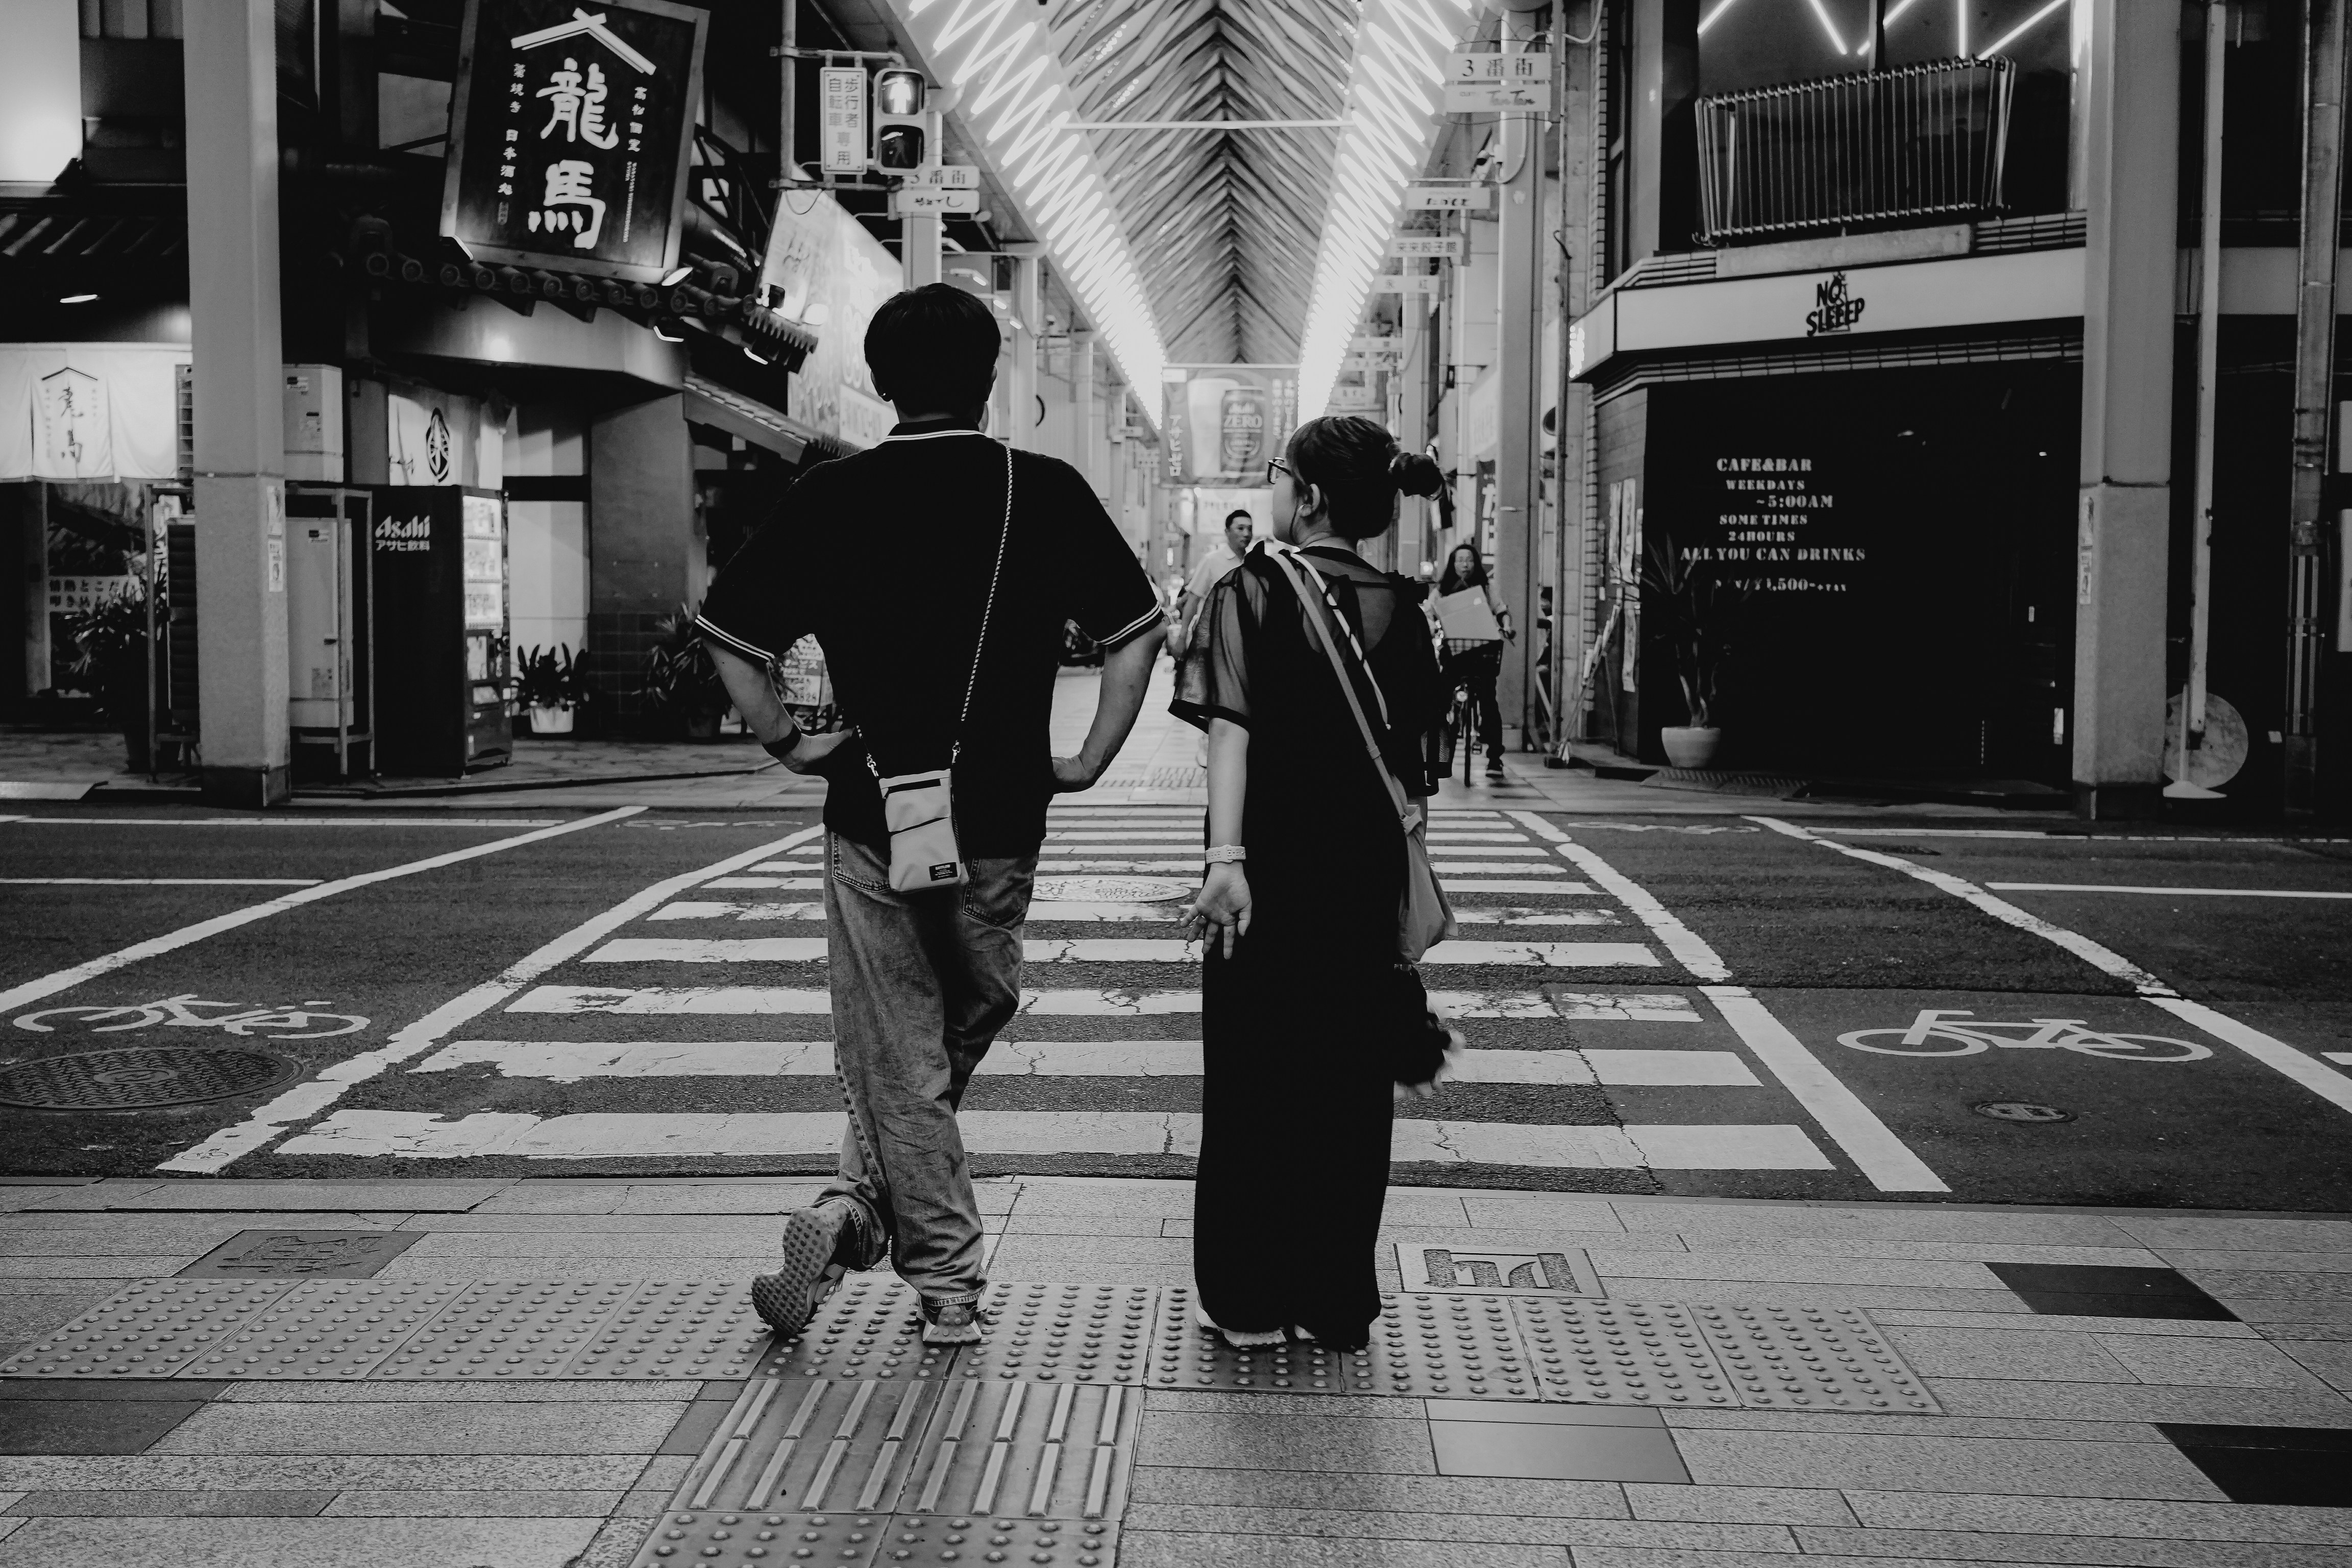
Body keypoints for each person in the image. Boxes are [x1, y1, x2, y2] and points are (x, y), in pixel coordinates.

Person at [697, 284, 1165, 1346]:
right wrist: (1087, 757)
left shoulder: (834, 495)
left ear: (877, 378)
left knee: (901, 1047)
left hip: (873, 812)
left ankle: (858, 1212)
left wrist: (788, 740)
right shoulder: (1037, 488)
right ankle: (948, 1283)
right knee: (970, 1011)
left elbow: (728, 632)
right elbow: (1138, 629)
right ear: (993, 379)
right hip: (1000, 812)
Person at [1172, 415, 1459, 1351]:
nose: (1275, 491)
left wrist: (1224, 862)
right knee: (1345, 1084)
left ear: (1314, 497)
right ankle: (1333, 1298)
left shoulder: (1247, 590)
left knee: (1257, 1076)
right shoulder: (1406, 611)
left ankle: (1250, 1298)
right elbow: (1417, 775)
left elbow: (1230, 734)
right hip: (1360, 875)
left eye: (1279, 475)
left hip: (1266, 871)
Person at [1436, 542, 1511, 780]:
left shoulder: (1486, 587)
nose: (1465, 564)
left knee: (1488, 700)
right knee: (1440, 698)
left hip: (1483, 653)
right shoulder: (1443, 589)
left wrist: (1507, 625)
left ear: (1475, 563)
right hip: (1456, 652)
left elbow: (1501, 610)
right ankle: (1438, 752)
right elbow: (1429, 612)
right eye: (1460, 560)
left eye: (1469, 560)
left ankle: (1495, 757)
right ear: (1453, 563)